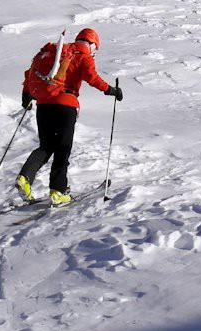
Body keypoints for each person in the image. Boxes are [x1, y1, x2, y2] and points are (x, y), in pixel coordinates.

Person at [17, 27, 122, 204]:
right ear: (92, 45)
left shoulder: (57, 53)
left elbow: (31, 73)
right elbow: (91, 77)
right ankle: (58, 191)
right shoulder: (83, 56)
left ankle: (24, 178)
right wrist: (111, 90)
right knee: (63, 149)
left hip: (43, 105)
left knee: (46, 146)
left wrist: (26, 95)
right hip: (65, 106)